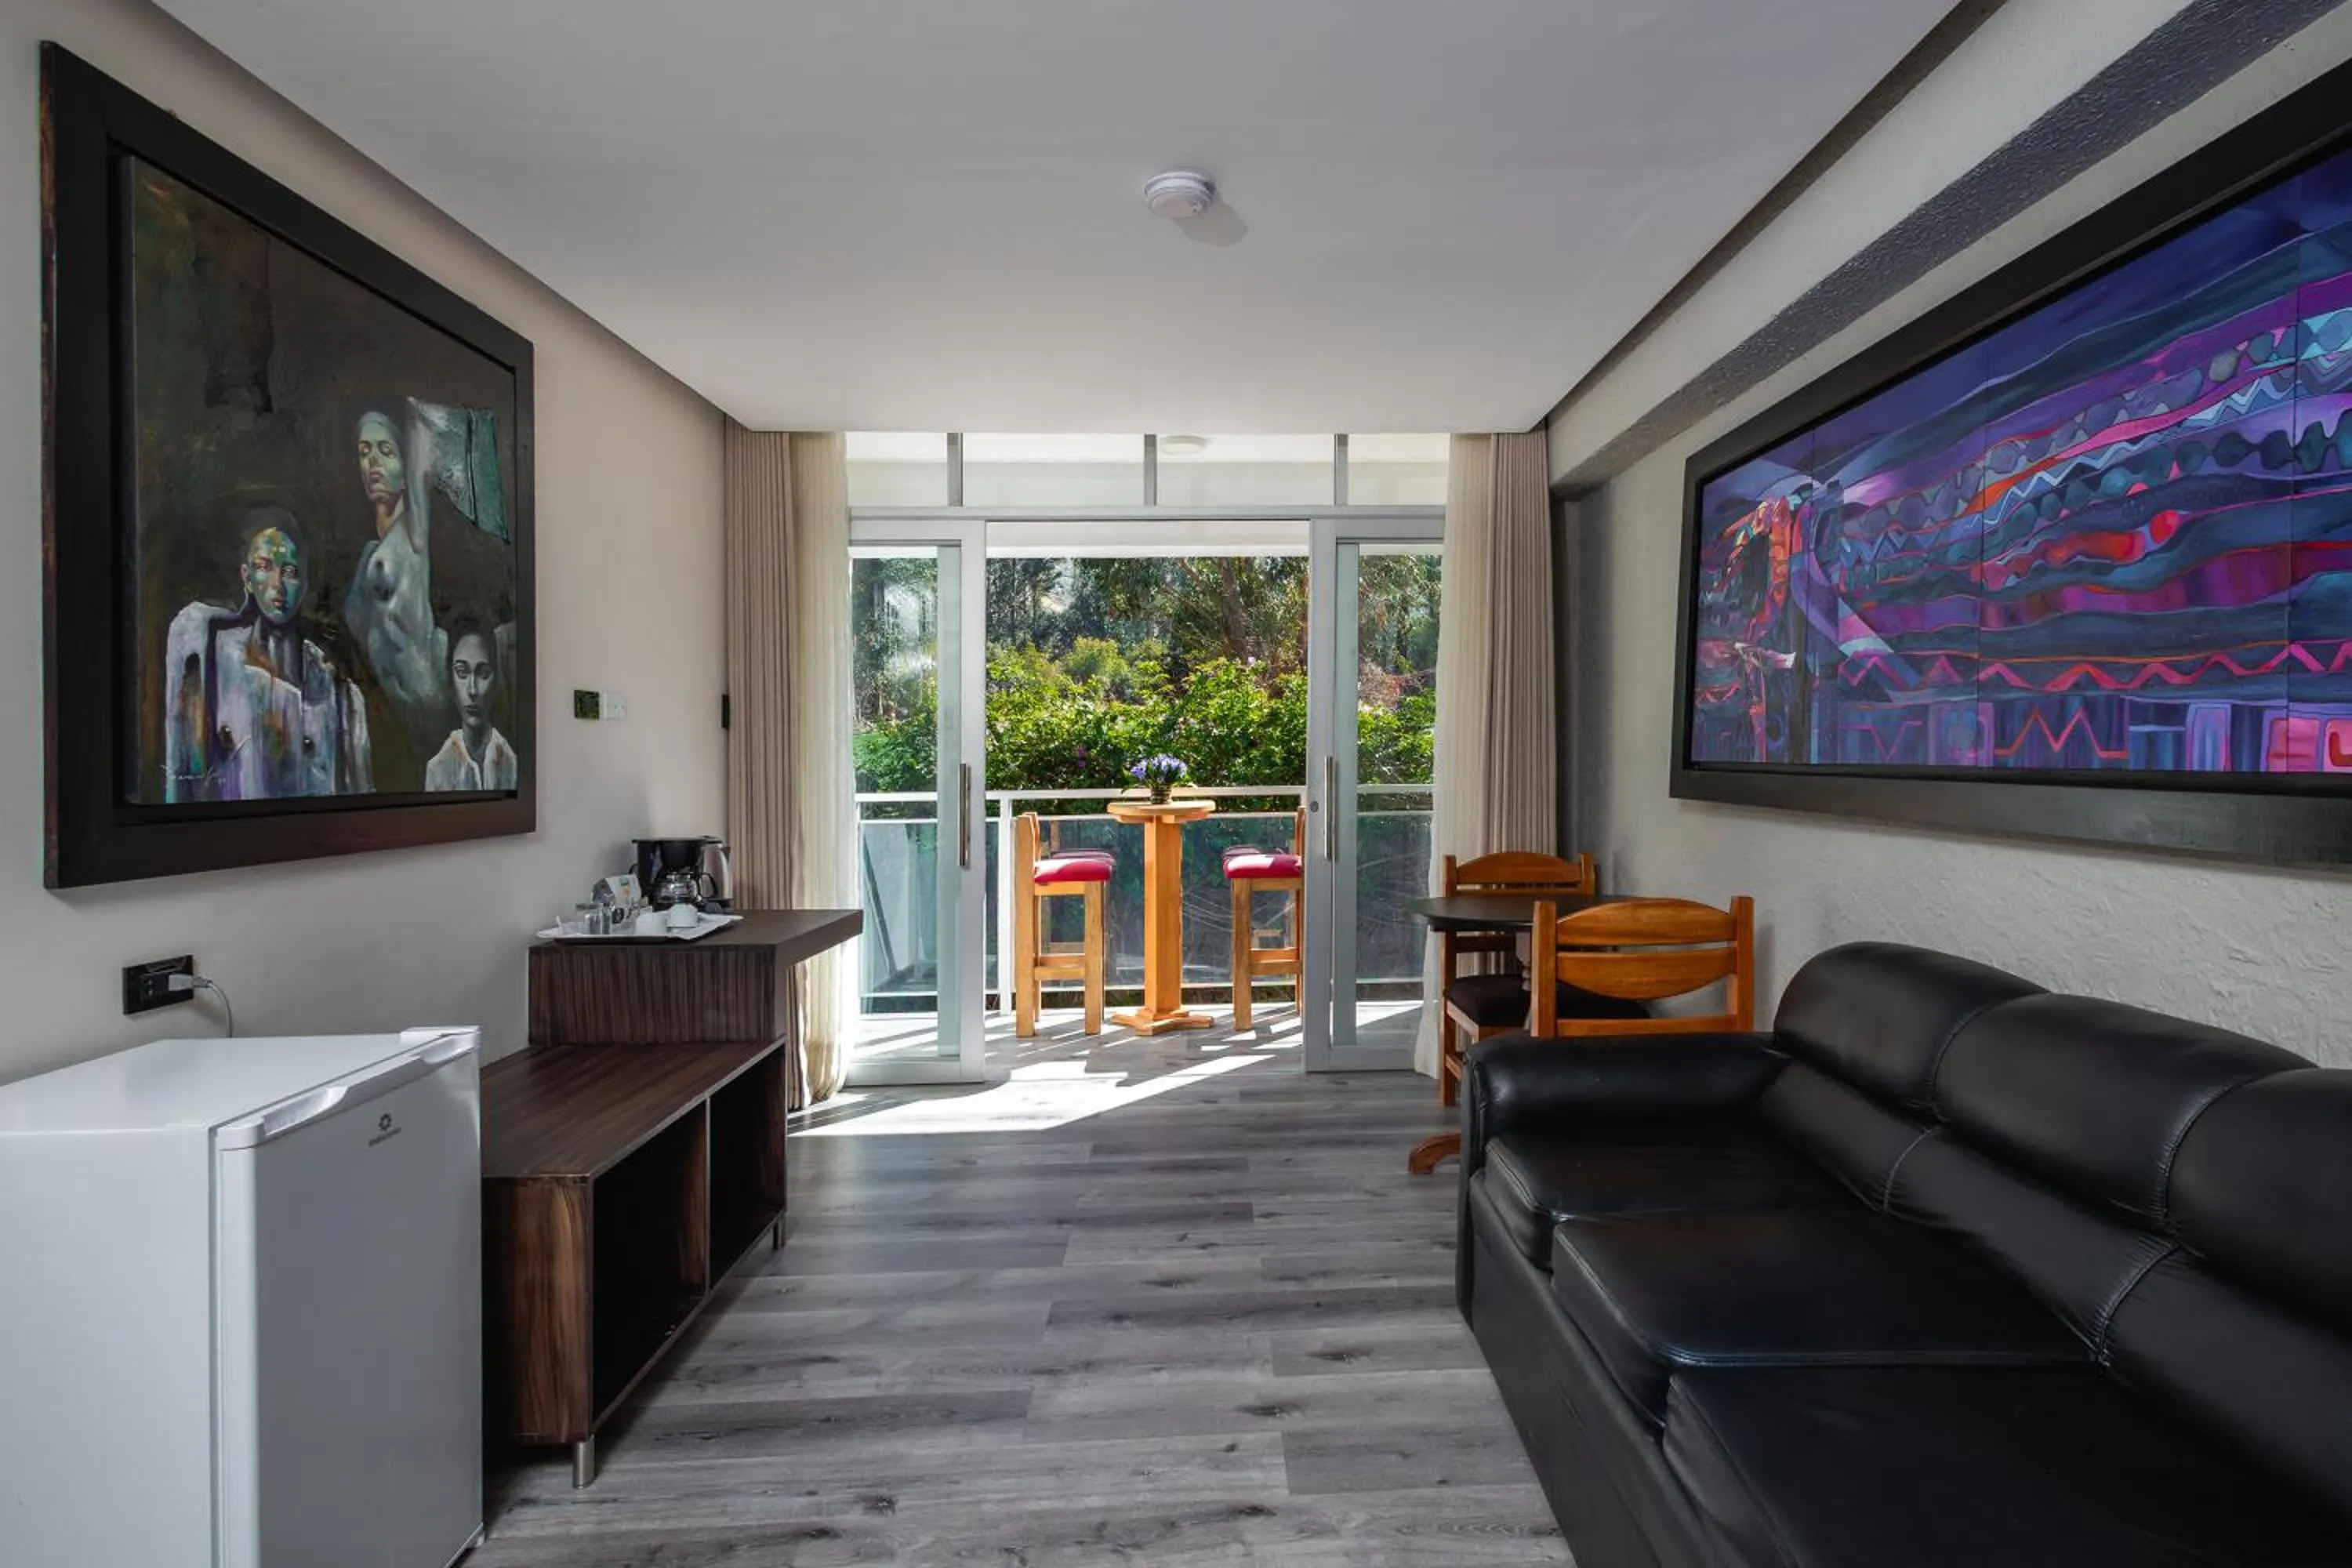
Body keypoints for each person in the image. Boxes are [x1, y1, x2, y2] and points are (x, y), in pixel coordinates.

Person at [163, 509, 372, 800]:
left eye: (290, 572)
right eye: (264, 566)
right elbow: (183, 777)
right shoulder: (212, 655)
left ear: (305, 583)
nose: (278, 585)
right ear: (246, 577)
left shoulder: (332, 687)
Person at [423, 612, 518, 791]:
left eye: (482, 673)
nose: (472, 690)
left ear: (496, 679)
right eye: (462, 672)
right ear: (450, 678)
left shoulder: (512, 764)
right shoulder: (438, 769)